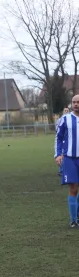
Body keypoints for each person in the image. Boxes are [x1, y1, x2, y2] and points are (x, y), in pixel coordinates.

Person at [55, 95, 79, 227]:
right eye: (74, 102)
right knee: (73, 188)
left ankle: (77, 213)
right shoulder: (65, 119)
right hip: (70, 158)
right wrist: (57, 154)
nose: (75, 104)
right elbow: (58, 138)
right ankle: (73, 220)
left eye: (78, 102)